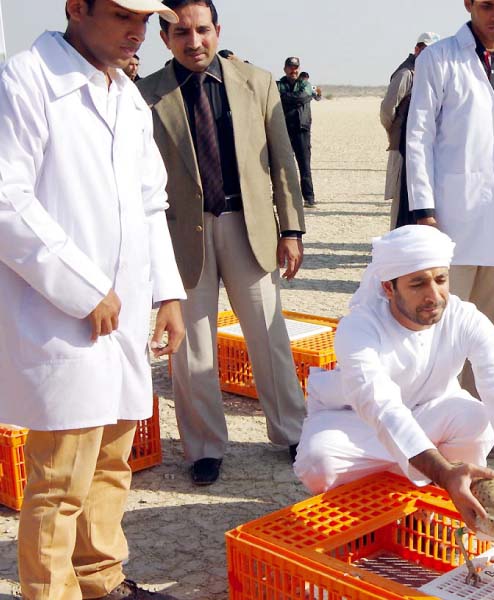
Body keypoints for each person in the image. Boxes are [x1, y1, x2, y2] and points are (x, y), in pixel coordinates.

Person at [0, 1, 186, 598]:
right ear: (76, 8)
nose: (138, 30)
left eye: (144, 17)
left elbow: (151, 201)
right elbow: (7, 201)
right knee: (59, 481)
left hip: (126, 313)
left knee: (112, 464)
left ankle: (102, 581)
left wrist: (168, 293)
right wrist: (82, 289)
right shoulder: (26, 79)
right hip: (61, 316)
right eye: (120, 14)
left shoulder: (126, 94)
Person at [137, 0, 307, 486]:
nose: (194, 42)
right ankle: (205, 448)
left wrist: (291, 228)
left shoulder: (257, 83)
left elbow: (282, 162)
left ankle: (293, 431)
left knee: (268, 336)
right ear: (165, 38)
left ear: (218, 29)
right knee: (190, 349)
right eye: (181, 33)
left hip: (247, 226)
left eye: (203, 30)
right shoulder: (145, 95)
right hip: (181, 236)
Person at [294, 225, 494, 529]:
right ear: (388, 288)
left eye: (441, 280)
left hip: (432, 413)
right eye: (417, 284)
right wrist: (444, 471)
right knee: (319, 461)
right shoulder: (359, 328)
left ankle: (439, 506)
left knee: (475, 418)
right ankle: (365, 519)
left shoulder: (465, 318)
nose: (434, 295)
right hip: (355, 423)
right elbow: (381, 406)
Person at [405, 0, 494, 398]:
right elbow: (419, 137)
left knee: (487, 333)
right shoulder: (439, 58)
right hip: (452, 219)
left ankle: (477, 423)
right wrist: (425, 211)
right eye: (486, 5)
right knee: (440, 330)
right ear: (469, 4)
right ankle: (432, 423)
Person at [380, 31, 439, 229]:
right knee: (401, 200)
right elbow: (387, 110)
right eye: (425, 49)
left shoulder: (431, 74)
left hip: (424, 147)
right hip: (402, 146)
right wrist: (395, 132)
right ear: (417, 49)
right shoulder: (407, 73)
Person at [278, 56, 317, 207]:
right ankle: (281, 197)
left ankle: (309, 197)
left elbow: (304, 96)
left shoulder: (305, 84)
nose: (293, 70)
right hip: (283, 129)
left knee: (304, 165)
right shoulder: (279, 85)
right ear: (285, 69)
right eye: (290, 67)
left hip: (302, 129)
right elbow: (278, 97)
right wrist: (295, 99)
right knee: (281, 166)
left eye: (295, 68)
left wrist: (286, 99)